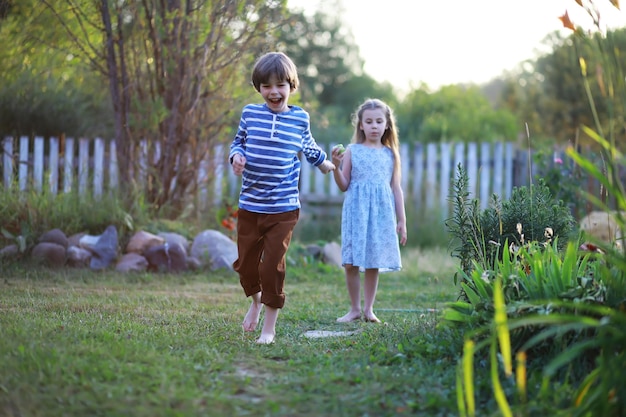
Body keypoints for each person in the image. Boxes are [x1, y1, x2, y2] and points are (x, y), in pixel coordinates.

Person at [229, 51, 335, 344]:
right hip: (250, 205)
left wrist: (324, 162)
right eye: (266, 86)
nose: (273, 92)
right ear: (259, 88)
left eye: (280, 85)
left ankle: (269, 329)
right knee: (247, 266)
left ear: (291, 86)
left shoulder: (300, 118)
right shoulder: (250, 114)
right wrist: (236, 156)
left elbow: (309, 146)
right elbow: (238, 142)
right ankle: (255, 301)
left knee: (271, 265)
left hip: (284, 208)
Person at [331, 98, 407, 323]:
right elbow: (344, 184)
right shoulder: (353, 151)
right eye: (369, 121)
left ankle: (369, 309)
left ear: (387, 125)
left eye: (379, 121)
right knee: (351, 261)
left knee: (373, 260)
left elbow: (396, 188)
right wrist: (335, 167)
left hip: (381, 214)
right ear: (361, 125)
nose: (374, 126)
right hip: (356, 212)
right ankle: (354, 309)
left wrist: (402, 220)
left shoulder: (390, 154)